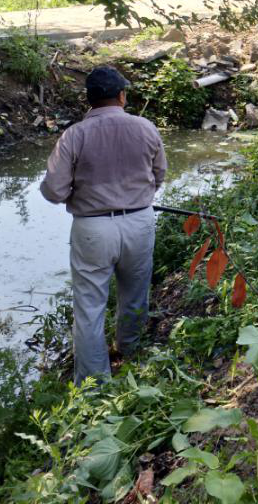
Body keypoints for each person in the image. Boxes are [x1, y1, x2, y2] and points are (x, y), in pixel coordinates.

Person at [40, 66, 168, 383]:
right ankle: (132, 355)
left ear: (90, 100)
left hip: (92, 229)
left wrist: (79, 191)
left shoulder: (74, 135)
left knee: (89, 308)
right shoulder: (146, 128)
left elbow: (53, 190)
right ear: (122, 96)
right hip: (139, 221)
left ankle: (96, 385)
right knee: (136, 295)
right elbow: (160, 175)